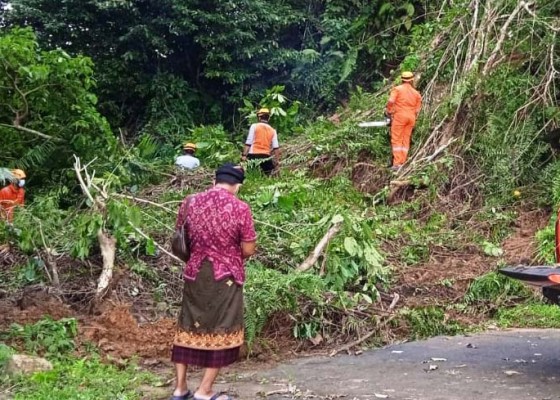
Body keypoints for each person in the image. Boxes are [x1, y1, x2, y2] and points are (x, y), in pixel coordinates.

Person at [170, 163, 257, 400]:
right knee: (222, 327)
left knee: (188, 325)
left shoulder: (190, 202)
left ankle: (180, 389)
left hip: (195, 273)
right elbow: (248, 248)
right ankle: (204, 391)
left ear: (215, 180)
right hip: (225, 276)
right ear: (237, 185)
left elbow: (180, 237)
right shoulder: (240, 208)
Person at [385, 71, 422, 171]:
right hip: (411, 118)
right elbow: (418, 110)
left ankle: (397, 163)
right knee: (405, 139)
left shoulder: (397, 89)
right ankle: (403, 162)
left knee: (396, 139)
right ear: (412, 80)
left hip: (400, 117)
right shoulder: (417, 94)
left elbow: (391, 101)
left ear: (402, 79)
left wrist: (388, 111)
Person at [241, 108, 280, 175]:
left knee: (251, 175)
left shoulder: (254, 126)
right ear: (268, 118)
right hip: (266, 156)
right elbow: (276, 147)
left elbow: (249, 142)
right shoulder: (273, 130)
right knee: (269, 175)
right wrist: (277, 161)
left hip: (253, 155)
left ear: (259, 117)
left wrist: (244, 155)